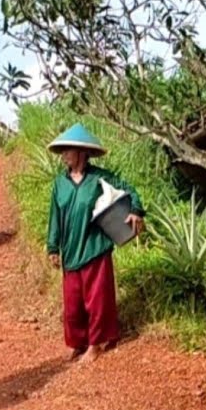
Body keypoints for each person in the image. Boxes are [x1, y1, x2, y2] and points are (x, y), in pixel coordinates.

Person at [46, 124, 144, 364]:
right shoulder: (60, 183)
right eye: (63, 151)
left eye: (68, 150)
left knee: (97, 300)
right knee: (72, 303)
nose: (64, 156)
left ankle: (96, 343)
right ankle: (77, 342)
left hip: (94, 247)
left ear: (81, 152)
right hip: (70, 249)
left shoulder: (99, 178)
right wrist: (52, 247)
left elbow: (129, 190)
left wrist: (135, 210)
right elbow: (54, 216)